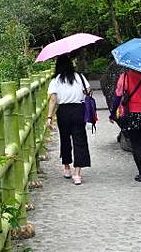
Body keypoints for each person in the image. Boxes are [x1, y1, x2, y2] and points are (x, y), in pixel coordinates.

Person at [45, 55, 91, 185]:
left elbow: (53, 99)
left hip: (63, 112)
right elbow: (88, 91)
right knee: (79, 140)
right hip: (78, 110)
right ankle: (77, 174)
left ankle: (66, 168)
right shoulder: (79, 77)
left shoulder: (56, 80)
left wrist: (49, 116)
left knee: (65, 139)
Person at [109, 69, 141, 183]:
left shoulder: (125, 77)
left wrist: (112, 114)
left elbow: (118, 97)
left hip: (132, 114)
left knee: (136, 143)